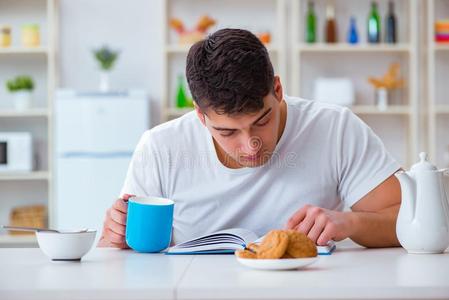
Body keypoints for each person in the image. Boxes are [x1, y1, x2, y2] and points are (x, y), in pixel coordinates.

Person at [99, 28, 402, 249]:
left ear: (278, 90)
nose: (250, 145)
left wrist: (349, 222)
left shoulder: (334, 128)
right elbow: (116, 259)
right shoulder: (160, 147)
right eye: (227, 132)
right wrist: (114, 235)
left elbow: (411, 218)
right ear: (200, 116)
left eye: (262, 121)